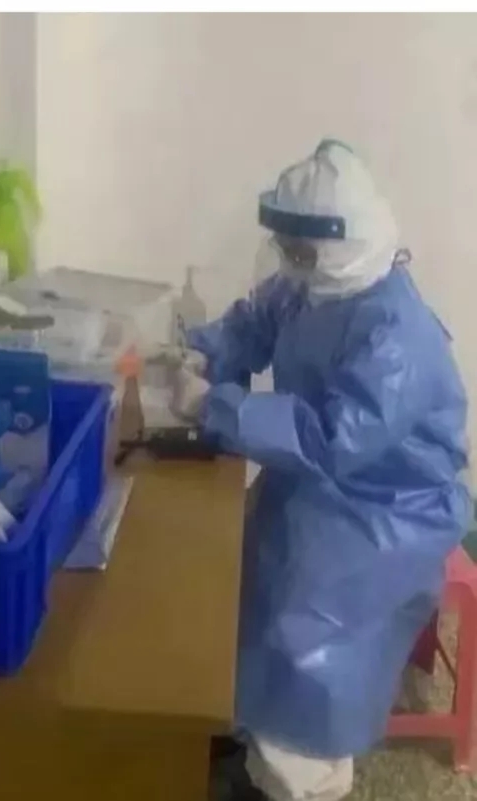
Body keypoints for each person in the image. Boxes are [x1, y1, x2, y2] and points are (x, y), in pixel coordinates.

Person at [168, 140, 472, 801]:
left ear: (343, 243)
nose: (291, 260)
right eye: (287, 247)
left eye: (301, 250)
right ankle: (253, 733)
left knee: (301, 633)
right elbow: (254, 322)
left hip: (384, 511)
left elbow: (331, 436)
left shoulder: (397, 337)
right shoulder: (315, 286)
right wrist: (203, 355)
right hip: (318, 484)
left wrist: (218, 406)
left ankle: (301, 778)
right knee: (238, 574)